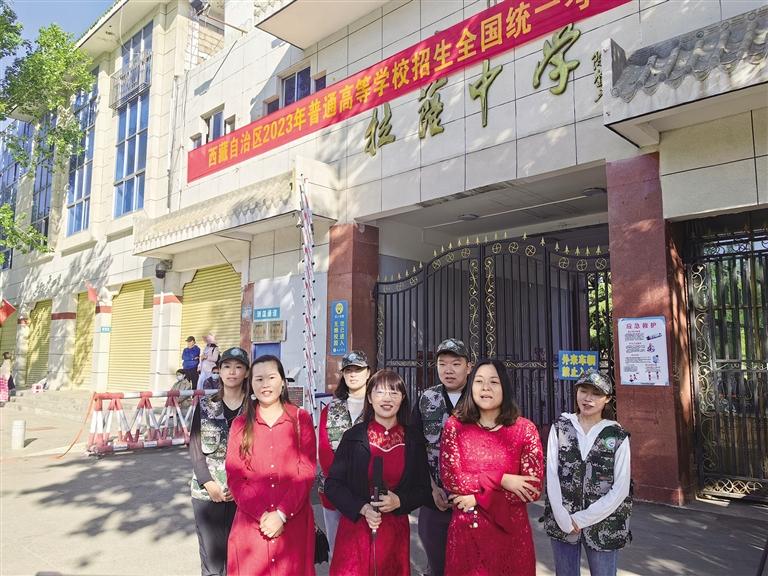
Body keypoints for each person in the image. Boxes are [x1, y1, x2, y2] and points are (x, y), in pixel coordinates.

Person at [440, 359, 543, 576]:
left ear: (504, 387)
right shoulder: (455, 426)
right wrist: (502, 479)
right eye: (479, 381)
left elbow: (532, 489)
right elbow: (452, 479)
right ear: (471, 387)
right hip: (468, 534)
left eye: (493, 382)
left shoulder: (525, 430)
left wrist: (477, 498)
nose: (485, 388)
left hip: (511, 536)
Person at [325, 369, 432, 576]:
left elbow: (423, 490)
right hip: (355, 530)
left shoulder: (413, 439)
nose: (387, 398)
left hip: (395, 533)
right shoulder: (353, 437)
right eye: (380, 392)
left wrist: (400, 501)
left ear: (402, 398)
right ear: (369, 398)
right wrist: (362, 508)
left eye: (394, 392)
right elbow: (332, 485)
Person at [225, 355, 316, 576]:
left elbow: (306, 471)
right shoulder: (239, 425)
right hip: (252, 526)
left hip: (293, 523)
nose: (265, 384)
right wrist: (263, 515)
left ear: (283, 381)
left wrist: (281, 514)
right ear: (251, 385)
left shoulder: (300, 419)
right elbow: (235, 477)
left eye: (272, 377)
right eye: (259, 379)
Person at [542, 369, 632, 576]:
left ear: (607, 399)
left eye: (596, 394)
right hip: (563, 521)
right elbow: (552, 475)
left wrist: (582, 519)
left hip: (604, 526)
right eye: (583, 391)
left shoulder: (617, 435)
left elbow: (621, 487)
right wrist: (563, 518)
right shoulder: (561, 427)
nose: (588, 398)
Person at [411, 338, 473, 576]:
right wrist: (431, 488)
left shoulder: (480, 397)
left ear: (468, 367)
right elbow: (415, 447)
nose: (448, 370)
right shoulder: (426, 399)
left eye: (456, 364)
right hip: (434, 499)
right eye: (442, 363)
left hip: (473, 502)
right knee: (437, 565)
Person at [189, 346, 249, 576]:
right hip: (207, 493)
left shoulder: (253, 408)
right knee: (212, 561)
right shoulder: (205, 405)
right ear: (219, 371)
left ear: (246, 372)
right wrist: (208, 482)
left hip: (242, 495)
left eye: (238, 367)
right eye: (227, 366)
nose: (232, 372)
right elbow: (195, 448)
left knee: (240, 557)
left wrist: (240, 485)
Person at [317, 350, 371, 561]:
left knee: (368, 554)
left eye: (358, 369)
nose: (353, 374)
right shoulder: (331, 409)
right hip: (334, 494)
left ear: (368, 372)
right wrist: (342, 487)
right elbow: (324, 451)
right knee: (338, 553)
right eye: (348, 370)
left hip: (368, 495)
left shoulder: (377, 406)